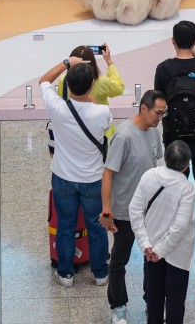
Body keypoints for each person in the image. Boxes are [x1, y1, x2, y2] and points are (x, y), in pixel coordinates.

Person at [40, 57, 112, 287]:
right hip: (92, 180)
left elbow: (44, 81)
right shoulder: (102, 113)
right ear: (91, 86)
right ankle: (100, 273)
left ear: (68, 85)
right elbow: (97, 113)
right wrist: (87, 94)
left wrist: (66, 63)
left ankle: (65, 273)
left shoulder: (58, 108)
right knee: (96, 226)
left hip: (63, 177)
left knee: (65, 225)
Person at [101, 90, 166, 324]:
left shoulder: (153, 133)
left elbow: (156, 165)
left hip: (150, 210)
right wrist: (107, 210)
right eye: (158, 113)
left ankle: (153, 302)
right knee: (120, 260)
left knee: (154, 257)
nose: (160, 118)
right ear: (144, 109)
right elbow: (108, 174)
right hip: (125, 212)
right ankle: (118, 305)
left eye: (163, 114)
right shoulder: (124, 136)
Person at [154, 20, 195, 244]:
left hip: (174, 137)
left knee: (174, 184)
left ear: (173, 41)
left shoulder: (163, 69)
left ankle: (172, 233)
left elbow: (159, 100)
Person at [130, 140, 195, 324]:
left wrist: (147, 246)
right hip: (177, 254)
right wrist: (160, 251)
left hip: (151, 252)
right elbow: (180, 227)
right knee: (175, 302)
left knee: (154, 299)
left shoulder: (149, 175)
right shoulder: (186, 188)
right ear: (186, 165)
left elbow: (135, 211)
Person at [56, 44, 124, 138]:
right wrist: (109, 62)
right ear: (92, 64)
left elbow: (60, 100)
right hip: (99, 134)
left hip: (72, 132)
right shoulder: (101, 82)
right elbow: (119, 88)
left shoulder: (63, 80)